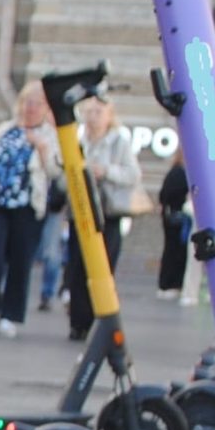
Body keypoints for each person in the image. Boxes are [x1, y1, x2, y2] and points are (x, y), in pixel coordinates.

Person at [0, 84, 57, 335]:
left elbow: (56, 172)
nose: (30, 107)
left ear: (45, 108)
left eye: (36, 103)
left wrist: (43, 149)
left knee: (20, 260)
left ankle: (11, 313)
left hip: (27, 205)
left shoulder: (50, 135)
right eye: (27, 101)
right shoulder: (5, 129)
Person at [63, 94, 141, 340]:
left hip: (108, 213)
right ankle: (78, 322)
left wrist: (106, 171)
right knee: (77, 269)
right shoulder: (78, 140)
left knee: (104, 269)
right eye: (89, 112)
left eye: (99, 112)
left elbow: (132, 174)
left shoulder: (118, 142)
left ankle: (101, 320)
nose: (93, 117)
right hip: (82, 213)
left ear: (109, 115)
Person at [156, 149, 192, 300]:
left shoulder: (175, 171)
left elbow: (163, 195)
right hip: (177, 218)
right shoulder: (181, 173)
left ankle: (169, 284)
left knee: (173, 251)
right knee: (176, 252)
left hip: (171, 217)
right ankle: (170, 284)